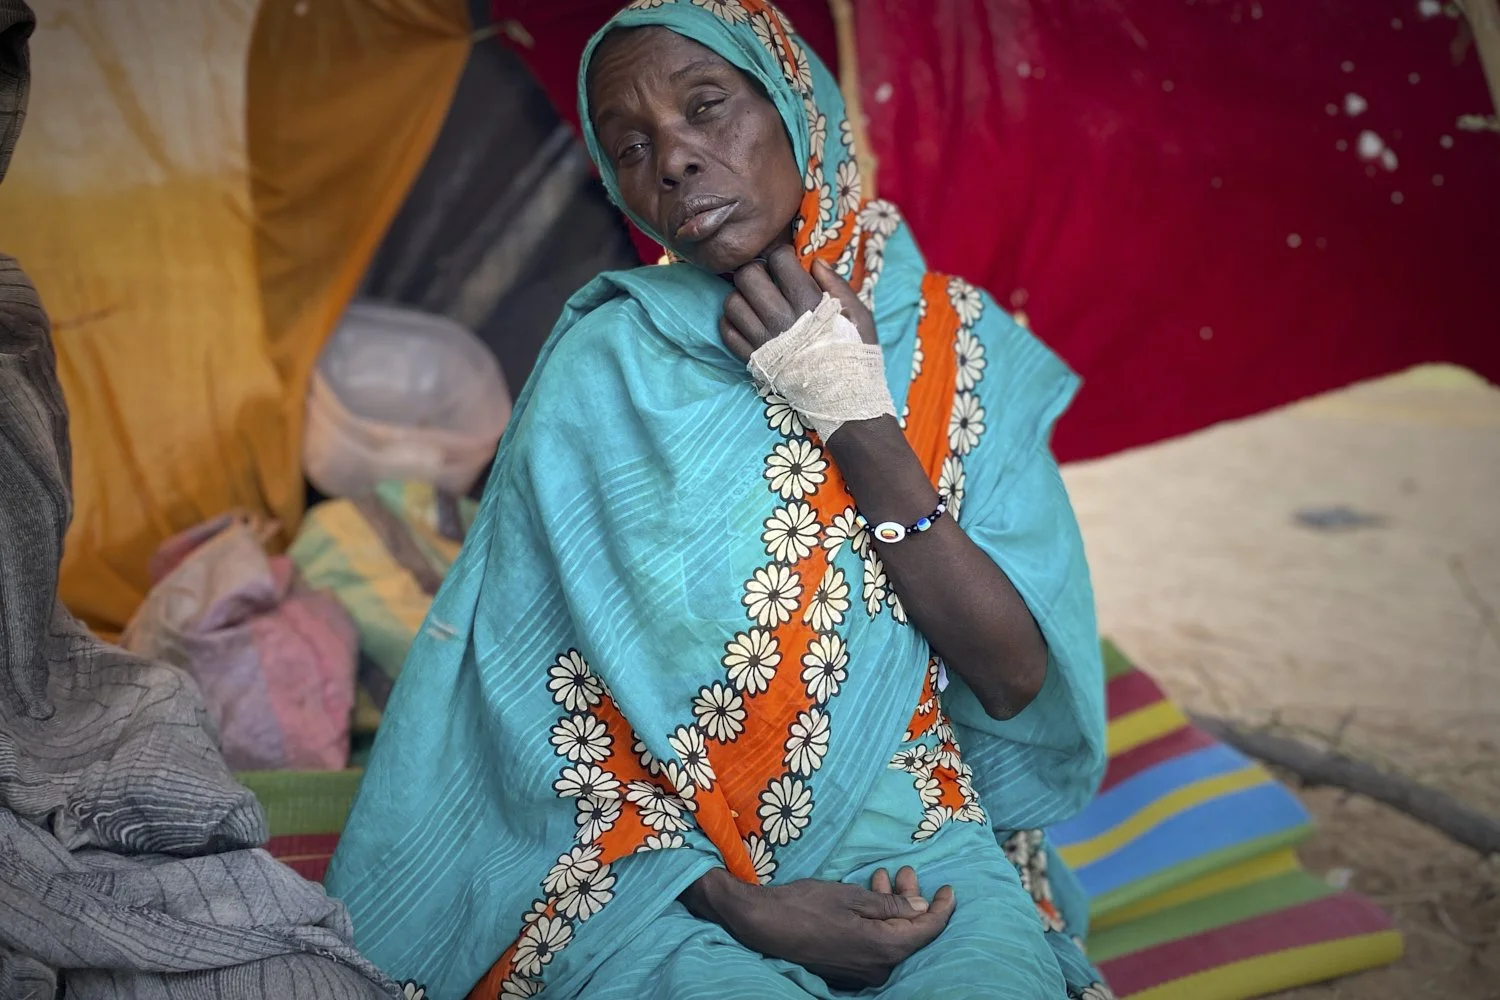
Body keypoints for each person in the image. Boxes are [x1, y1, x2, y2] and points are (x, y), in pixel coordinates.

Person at [327, 2, 1111, 997]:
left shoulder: (957, 348)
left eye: (709, 108)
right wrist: (732, 899)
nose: (677, 161)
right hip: (661, 878)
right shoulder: (604, 367)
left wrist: (855, 418)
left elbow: (1010, 677)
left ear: (795, 110)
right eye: (632, 144)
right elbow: (524, 708)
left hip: (916, 851)